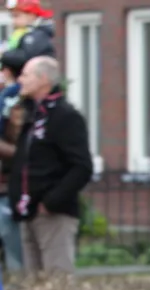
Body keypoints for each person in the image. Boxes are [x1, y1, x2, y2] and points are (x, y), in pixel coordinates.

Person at [9, 56, 92, 273]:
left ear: (43, 79)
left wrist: (51, 202)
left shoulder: (65, 117)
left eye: (26, 75)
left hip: (52, 214)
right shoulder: (32, 116)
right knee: (34, 283)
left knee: (57, 280)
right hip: (28, 211)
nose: (20, 80)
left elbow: (82, 166)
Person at [0, 49, 27, 271]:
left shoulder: (12, 99)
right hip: (8, 184)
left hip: (8, 184)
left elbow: (19, 147)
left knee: (14, 248)